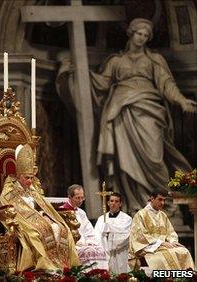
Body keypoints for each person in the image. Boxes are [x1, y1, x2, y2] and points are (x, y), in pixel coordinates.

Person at [57, 18, 197, 215]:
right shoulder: (116, 61)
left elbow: (167, 84)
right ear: (131, 33)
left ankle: (163, 206)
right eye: (139, 33)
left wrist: (181, 100)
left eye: (146, 35)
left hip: (149, 111)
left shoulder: (154, 60)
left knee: (154, 159)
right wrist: (79, 72)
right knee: (125, 161)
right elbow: (101, 84)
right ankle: (133, 206)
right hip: (120, 112)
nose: (142, 38)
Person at [0, 144, 79, 271]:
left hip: (37, 218)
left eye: (31, 178)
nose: (30, 181)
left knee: (62, 228)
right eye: (27, 178)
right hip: (21, 221)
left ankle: (62, 265)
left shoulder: (32, 189)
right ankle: (44, 267)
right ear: (19, 176)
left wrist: (44, 215)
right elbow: (6, 205)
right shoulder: (9, 189)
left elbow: (42, 206)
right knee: (37, 233)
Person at [128, 189, 195, 271]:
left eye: (164, 200)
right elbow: (140, 236)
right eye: (160, 199)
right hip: (148, 248)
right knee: (163, 257)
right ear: (152, 199)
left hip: (164, 246)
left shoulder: (163, 215)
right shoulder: (141, 215)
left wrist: (173, 242)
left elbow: (171, 233)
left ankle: (187, 279)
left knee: (184, 252)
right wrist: (160, 243)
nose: (162, 203)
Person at [60, 184, 108, 269]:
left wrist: (91, 242)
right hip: (72, 245)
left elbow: (89, 230)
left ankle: (100, 277)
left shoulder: (81, 212)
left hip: (85, 243)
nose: (80, 200)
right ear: (69, 197)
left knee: (100, 249)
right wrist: (79, 244)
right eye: (77, 198)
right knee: (89, 252)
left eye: (82, 198)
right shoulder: (61, 212)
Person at [94, 192, 132, 273]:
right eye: (111, 201)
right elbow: (96, 235)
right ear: (108, 203)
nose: (113, 203)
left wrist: (110, 234)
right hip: (104, 252)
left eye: (116, 201)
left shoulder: (127, 219)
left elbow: (126, 236)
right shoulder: (101, 219)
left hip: (120, 253)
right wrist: (103, 237)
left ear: (120, 203)